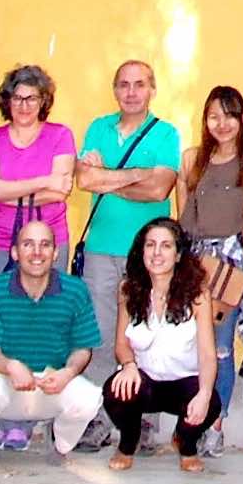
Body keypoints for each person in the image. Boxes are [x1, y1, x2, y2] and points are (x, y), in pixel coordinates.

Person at [74, 59, 179, 382]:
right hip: (100, 248)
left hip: (149, 252)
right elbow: (84, 180)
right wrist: (139, 174)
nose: (131, 92)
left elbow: (159, 189)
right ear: (115, 90)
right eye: (124, 85)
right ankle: (98, 400)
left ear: (152, 90)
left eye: (139, 84)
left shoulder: (166, 133)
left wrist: (105, 176)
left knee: (145, 330)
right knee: (100, 331)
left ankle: (141, 403)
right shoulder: (98, 128)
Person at [0, 217, 101, 461]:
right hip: (8, 382)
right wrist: (11, 366)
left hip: (53, 382)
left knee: (89, 397)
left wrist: (68, 373)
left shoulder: (75, 290)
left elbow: (83, 349)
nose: (37, 252)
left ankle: (60, 445)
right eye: (28, 244)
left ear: (55, 253)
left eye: (45, 245)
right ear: (15, 253)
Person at [183, 83, 243, 447]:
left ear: (242, 118)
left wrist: (228, 271)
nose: (222, 124)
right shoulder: (191, 159)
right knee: (189, 344)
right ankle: (189, 418)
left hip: (228, 263)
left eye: (229, 116)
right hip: (191, 260)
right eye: (214, 116)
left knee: (220, 347)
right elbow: (183, 216)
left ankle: (215, 425)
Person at [102, 217, 222, 471]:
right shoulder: (128, 289)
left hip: (184, 382)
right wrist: (128, 365)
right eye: (150, 245)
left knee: (211, 402)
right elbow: (121, 343)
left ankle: (186, 445)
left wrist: (204, 394)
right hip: (145, 381)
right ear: (141, 251)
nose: (157, 253)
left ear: (178, 255)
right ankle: (127, 445)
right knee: (115, 390)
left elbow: (207, 354)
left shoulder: (198, 294)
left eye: (166, 246)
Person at [0, 63, 76, 283]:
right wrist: (45, 181)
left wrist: (7, 192)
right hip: (0, 240)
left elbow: (59, 192)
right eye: (17, 98)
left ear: (43, 101)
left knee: (51, 302)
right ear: (7, 101)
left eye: (32, 98)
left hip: (50, 240)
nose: (24, 105)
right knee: (0, 300)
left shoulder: (61, 135)